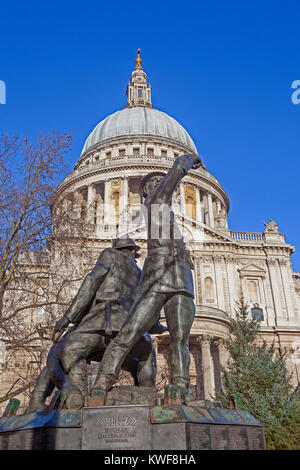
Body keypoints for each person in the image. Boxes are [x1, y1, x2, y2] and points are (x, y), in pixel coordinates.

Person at [90, 153, 202, 404]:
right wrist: (180, 165)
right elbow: (164, 190)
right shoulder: (154, 203)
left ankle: (182, 389)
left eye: (160, 181)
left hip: (180, 278)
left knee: (180, 339)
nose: (158, 185)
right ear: (143, 194)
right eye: (152, 183)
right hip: (157, 275)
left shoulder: (173, 222)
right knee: (129, 332)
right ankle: (102, 383)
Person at [29, 238, 165, 411]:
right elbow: (150, 310)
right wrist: (156, 328)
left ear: (118, 249)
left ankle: (75, 397)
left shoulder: (110, 255)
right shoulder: (141, 274)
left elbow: (91, 283)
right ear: (132, 252)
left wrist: (68, 317)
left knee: (65, 351)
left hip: (101, 322)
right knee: (146, 357)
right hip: (130, 331)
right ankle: (147, 396)